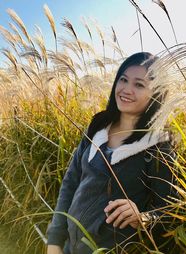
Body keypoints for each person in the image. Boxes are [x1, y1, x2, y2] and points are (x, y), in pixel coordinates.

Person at [46, 52, 176, 254]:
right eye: (123, 80)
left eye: (139, 85)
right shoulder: (98, 127)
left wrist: (143, 218)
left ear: (156, 94)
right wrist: (54, 240)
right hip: (69, 247)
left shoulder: (158, 146)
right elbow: (70, 183)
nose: (126, 89)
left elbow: (169, 211)